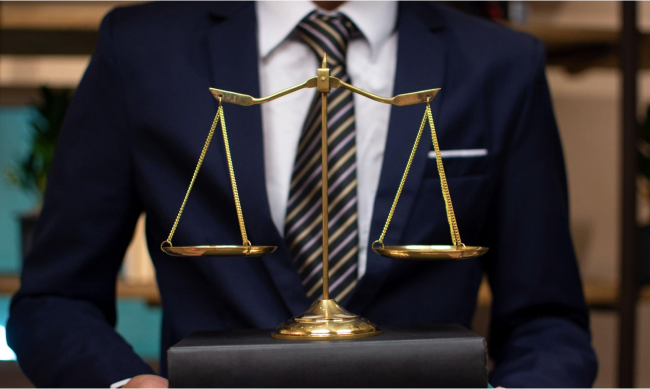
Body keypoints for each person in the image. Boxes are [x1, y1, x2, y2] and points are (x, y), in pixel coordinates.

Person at [7, 0, 598, 388]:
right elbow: (53, 301)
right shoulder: (141, 50)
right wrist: (123, 385)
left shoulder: (500, 64)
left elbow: (550, 321)